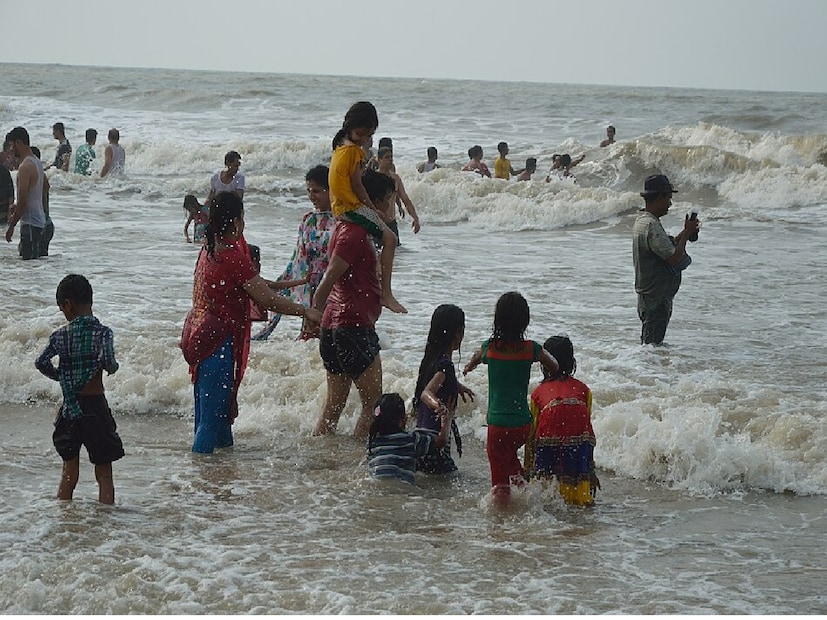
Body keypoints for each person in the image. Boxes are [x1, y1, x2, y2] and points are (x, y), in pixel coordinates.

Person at [180, 191, 321, 454]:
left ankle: (218, 477)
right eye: (243, 217)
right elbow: (267, 300)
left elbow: (258, 288)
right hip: (217, 344)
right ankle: (200, 483)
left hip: (200, 335)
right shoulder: (232, 256)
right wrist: (305, 312)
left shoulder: (209, 250)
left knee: (217, 418)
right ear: (235, 222)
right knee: (210, 423)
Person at [311, 170, 396, 438]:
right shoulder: (355, 233)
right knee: (372, 404)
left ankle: (324, 455)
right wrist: (312, 312)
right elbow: (329, 277)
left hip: (337, 326)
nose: (393, 207)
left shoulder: (347, 226)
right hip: (353, 327)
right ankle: (358, 464)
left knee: (334, 406)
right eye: (391, 200)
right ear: (377, 202)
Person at [463, 291, 559, 505]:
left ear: (497, 320)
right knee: (510, 461)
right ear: (525, 321)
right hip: (523, 425)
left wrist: (469, 367)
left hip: (498, 425)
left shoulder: (490, 348)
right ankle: (527, 496)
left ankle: (502, 521)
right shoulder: (531, 349)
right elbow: (554, 364)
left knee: (499, 483)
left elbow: (477, 357)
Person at [35, 274, 124, 504]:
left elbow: (41, 362)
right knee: (104, 474)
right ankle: (106, 521)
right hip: (95, 408)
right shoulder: (103, 333)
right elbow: (108, 361)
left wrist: (61, 377)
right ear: (90, 301)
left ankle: (65, 517)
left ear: (68, 304)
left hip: (69, 410)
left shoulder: (60, 336)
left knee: (69, 473)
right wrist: (113, 368)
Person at [328, 101, 405, 314]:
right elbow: (357, 185)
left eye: (368, 136)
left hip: (341, 207)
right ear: (351, 126)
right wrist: (372, 208)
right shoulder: (354, 152)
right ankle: (386, 294)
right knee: (390, 239)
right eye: (362, 134)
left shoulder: (340, 147)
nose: (364, 140)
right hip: (351, 207)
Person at [252, 165, 336, 341]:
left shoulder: (340, 220)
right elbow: (299, 257)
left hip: (335, 282)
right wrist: (286, 281)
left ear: (330, 190)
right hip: (313, 284)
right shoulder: (308, 219)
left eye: (317, 191)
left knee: (333, 333)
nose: (312, 196)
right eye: (308, 191)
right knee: (311, 333)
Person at [523, 335, 599, 506]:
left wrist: (527, 469)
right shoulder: (584, 391)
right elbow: (587, 433)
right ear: (572, 362)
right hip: (579, 452)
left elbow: (531, 436)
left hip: (547, 448)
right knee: (579, 499)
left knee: (547, 496)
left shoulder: (538, 394)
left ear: (544, 364)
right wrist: (591, 472)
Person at [633, 174, 699, 345]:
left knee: (648, 344)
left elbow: (666, 249)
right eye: (668, 198)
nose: (670, 203)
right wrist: (686, 235)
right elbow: (674, 259)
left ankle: (642, 368)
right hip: (657, 299)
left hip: (647, 296)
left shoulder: (642, 222)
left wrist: (686, 232)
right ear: (660, 197)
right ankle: (648, 371)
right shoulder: (652, 225)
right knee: (652, 347)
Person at [413, 304, 475, 474]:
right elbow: (426, 393)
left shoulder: (430, 361)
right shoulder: (446, 365)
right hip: (435, 438)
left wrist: (456, 385)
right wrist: (441, 409)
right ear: (458, 334)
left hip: (421, 439)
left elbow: (430, 384)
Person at [367, 393, 455, 485]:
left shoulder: (372, 442)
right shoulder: (411, 440)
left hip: (378, 487)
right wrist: (447, 419)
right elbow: (441, 442)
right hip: (401, 490)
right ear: (402, 421)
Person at [5, 127, 46, 260]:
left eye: (11, 145)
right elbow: (44, 188)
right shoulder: (37, 162)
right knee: (35, 266)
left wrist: (11, 227)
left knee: (28, 264)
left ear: (18, 143)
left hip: (29, 224)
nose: (10, 149)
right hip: (39, 222)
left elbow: (23, 203)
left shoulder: (25, 167)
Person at [376, 146, 421, 240]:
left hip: (392, 222)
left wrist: (415, 218)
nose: (390, 160)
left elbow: (405, 199)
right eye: (387, 157)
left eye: (391, 157)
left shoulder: (395, 178)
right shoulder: (373, 177)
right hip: (377, 223)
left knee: (396, 251)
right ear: (379, 160)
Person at [30, 147, 54, 257]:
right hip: (46, 223)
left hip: (41, 224)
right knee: (40, 260)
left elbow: (43, 199)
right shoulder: (41, 175)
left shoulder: (37, 175)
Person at [0, 155, 13, 226]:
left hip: (3, 213)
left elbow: (10, 194)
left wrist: (9, 213)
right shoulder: (4, 171)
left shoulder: (4, 171)